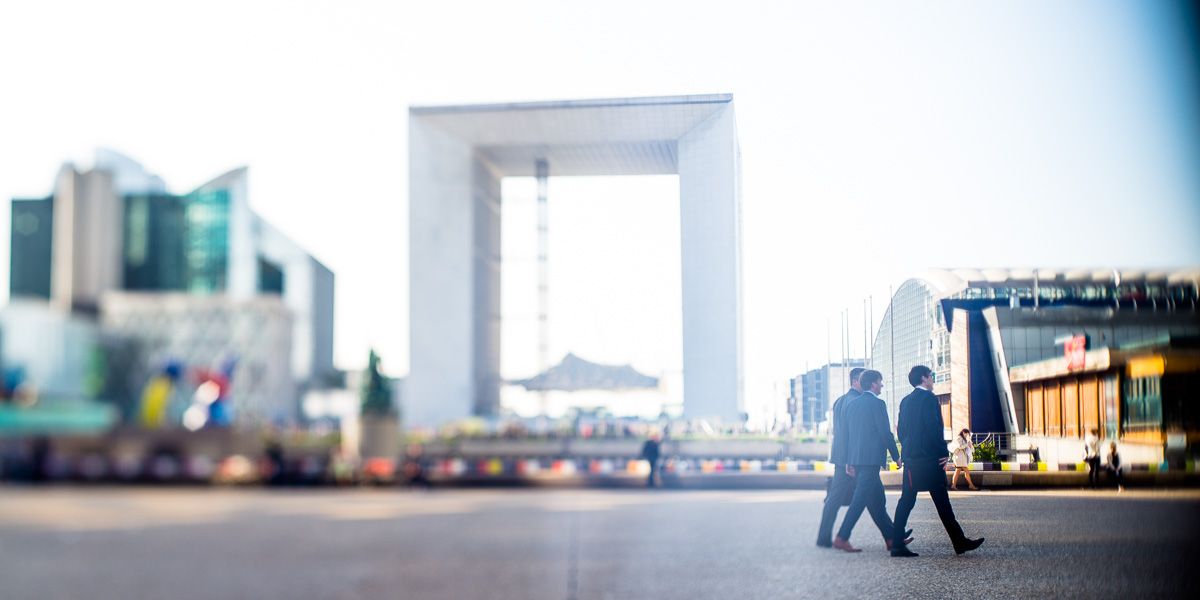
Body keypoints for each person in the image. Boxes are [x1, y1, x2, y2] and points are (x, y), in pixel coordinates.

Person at [890, 365, 985, 557]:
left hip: (911, 461)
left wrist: (908, 449)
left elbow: (901, 431)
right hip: (929, 461)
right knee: (942, 502)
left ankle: (896, 544)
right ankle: (959, 542)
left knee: (906, 501)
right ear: (924, 378)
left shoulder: (905, 401)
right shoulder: (929, 399)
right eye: (931, 377)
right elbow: (933, 427)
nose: (933, 380)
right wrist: (943, 452)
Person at [833, 369, 907, 553]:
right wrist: (896, 455)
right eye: (880, 382)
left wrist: (849, 461)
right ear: (873, 383)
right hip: (870, 461)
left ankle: (891, 538)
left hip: (857, 460)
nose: (882, 385)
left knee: (877, 500)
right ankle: (842, 537)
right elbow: (885, 433)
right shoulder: (878, 404)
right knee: (860, 500)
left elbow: (848, 436)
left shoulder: (852, 405)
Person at [816, 367, 864, 548]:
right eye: (864, 379)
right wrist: (850, 460)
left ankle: (823, 537)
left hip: (840, 457)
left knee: (835, 498)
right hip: (853, 459)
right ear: (856, 381)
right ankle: (892, 536)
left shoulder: (839, 401)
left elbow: (840, 433)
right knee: (874, 497)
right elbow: (852, 434)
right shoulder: (857, 401)